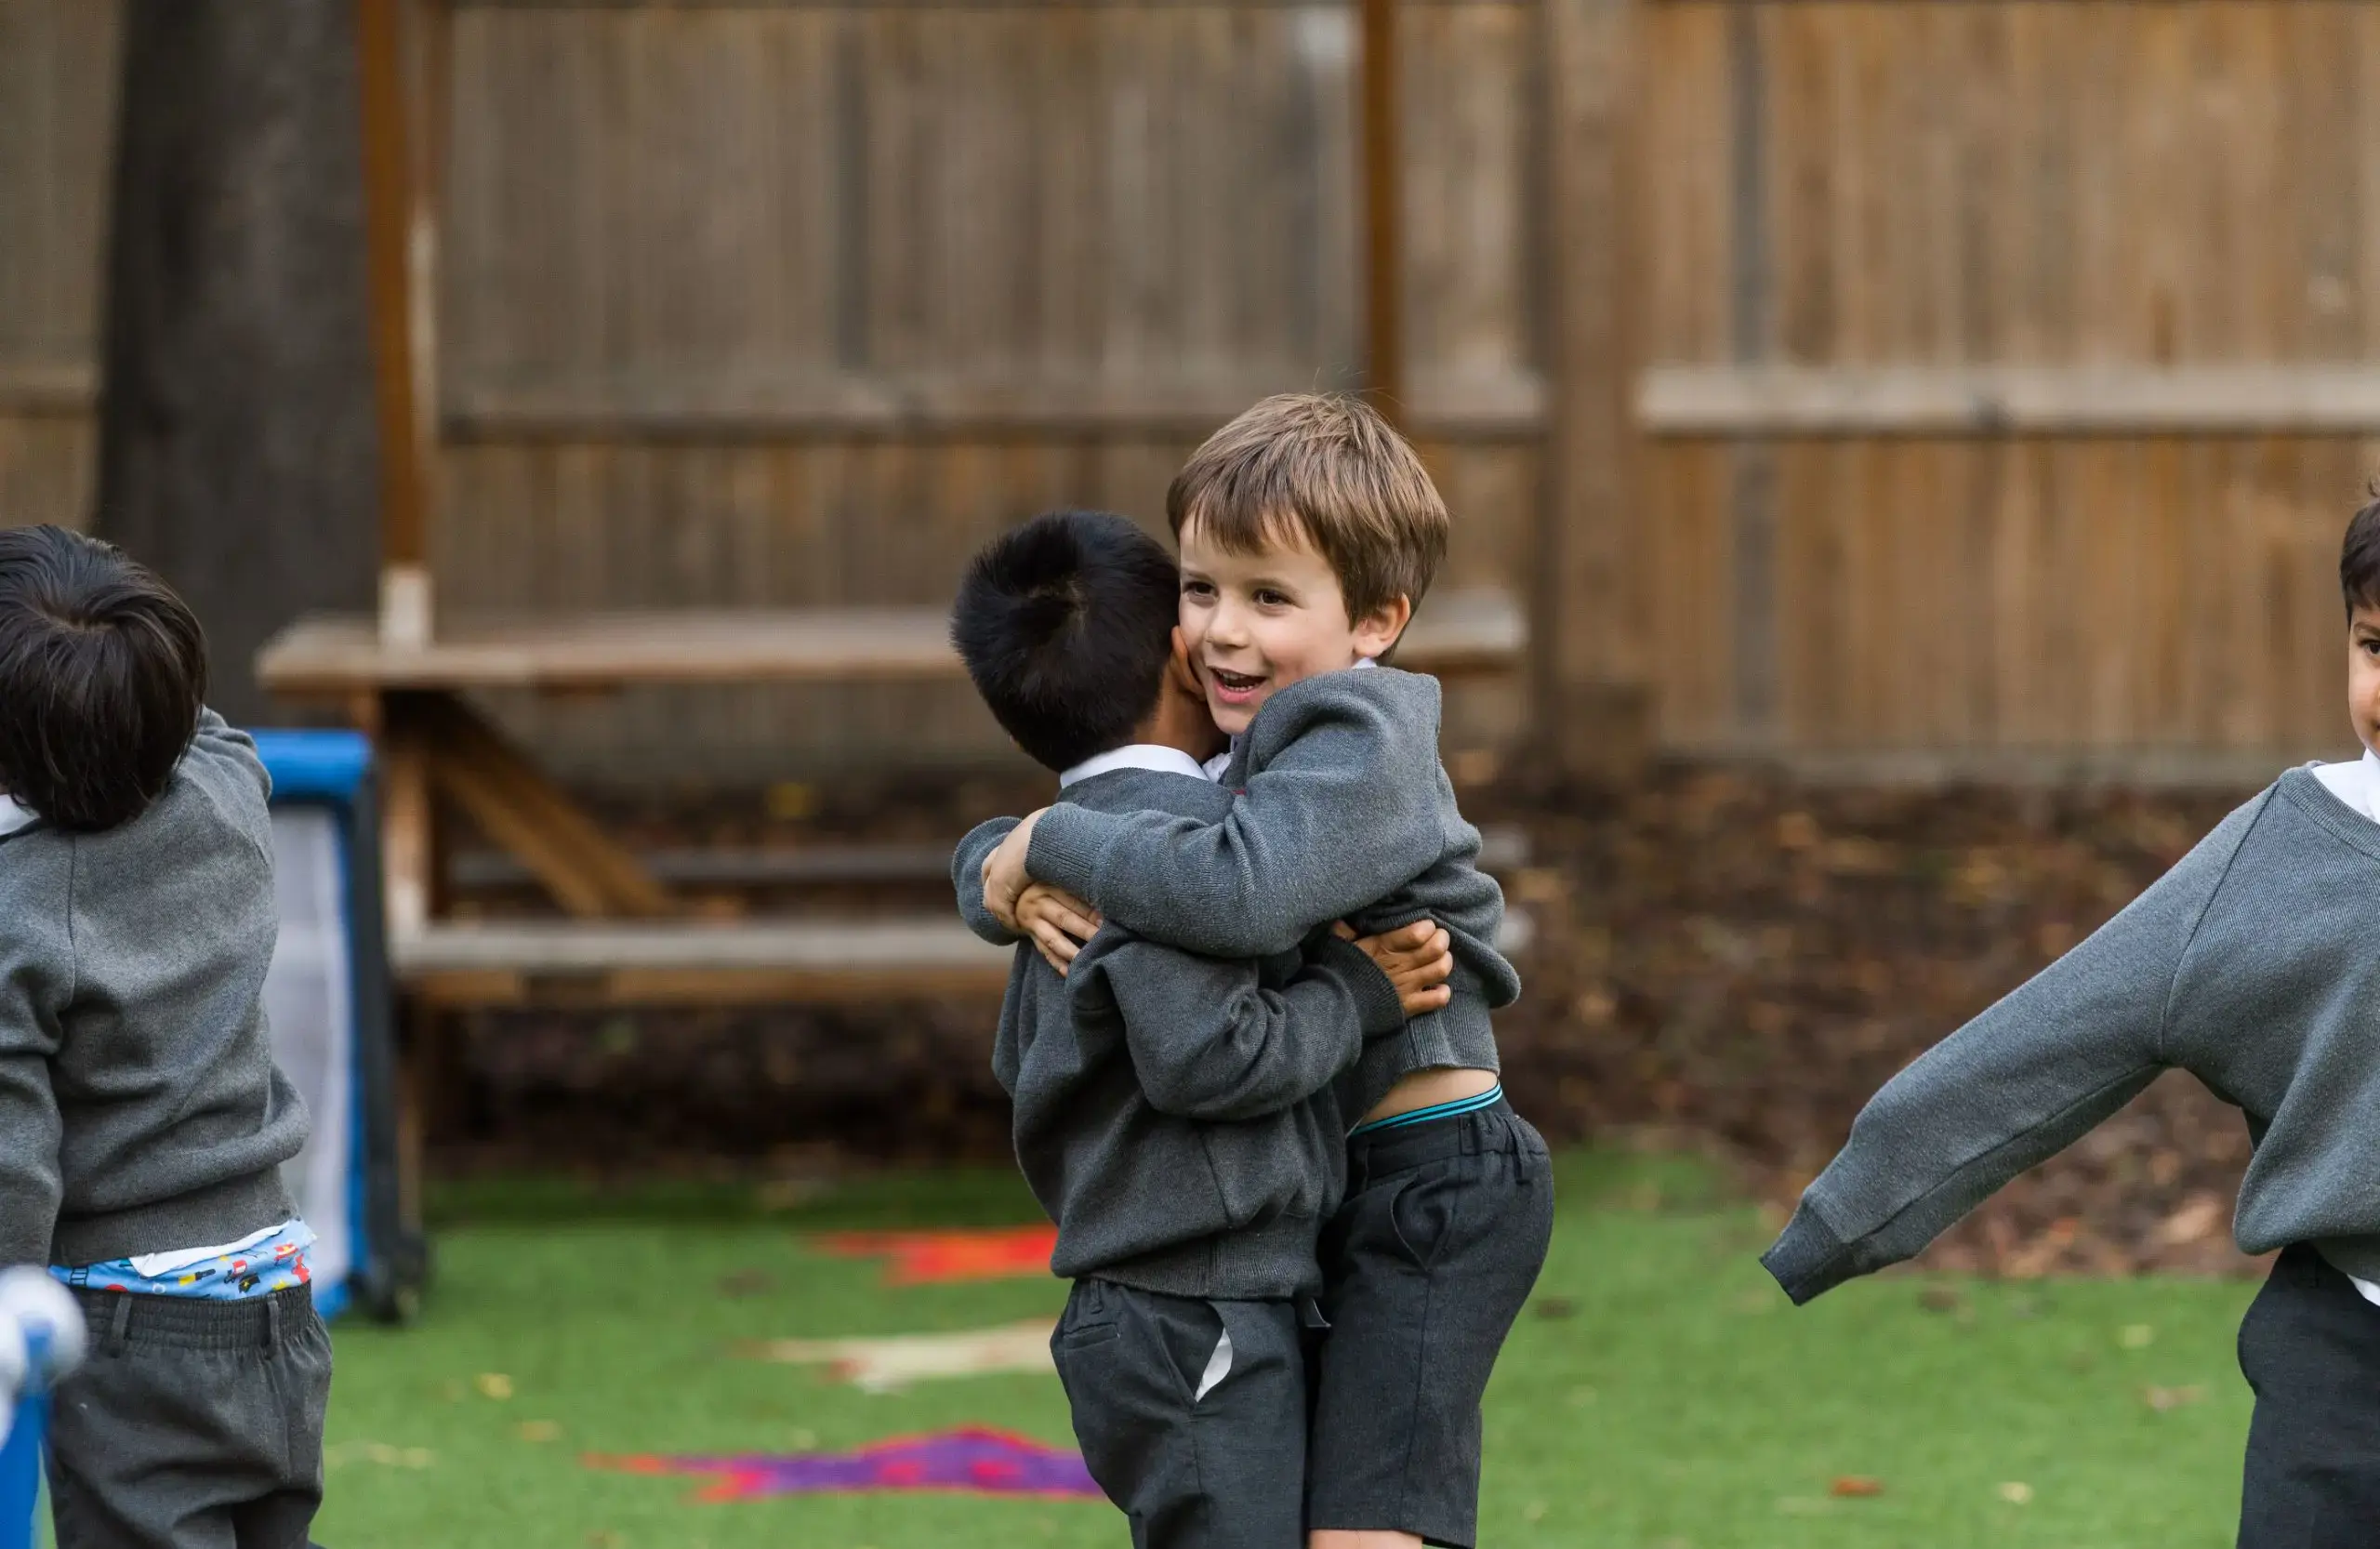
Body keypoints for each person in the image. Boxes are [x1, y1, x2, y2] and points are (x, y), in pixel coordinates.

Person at [968, 396, 1552, 1549]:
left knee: (1367, 1537)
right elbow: (1130, 809)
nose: (1221, 632)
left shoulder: (1361, 740)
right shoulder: (1248, 740)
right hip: (1334, 1185)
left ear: (1375, 620)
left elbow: (1236, 889)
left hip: (1435, 1182)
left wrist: (1050, 841)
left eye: (1269, 598)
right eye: (1201, 589)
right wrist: (997, 869)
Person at [1763, 498, 2380, 1546]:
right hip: (2342, 1366)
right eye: (2373, 646)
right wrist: (1849, 1209)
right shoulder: (2282, 855)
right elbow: (2058, 1034)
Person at [0, 525, 328, 1549]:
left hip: (130, 1327)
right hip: (277, 1291)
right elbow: (192, 724)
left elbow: (10, 1144)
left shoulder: (18, 912)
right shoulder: (228, 792)